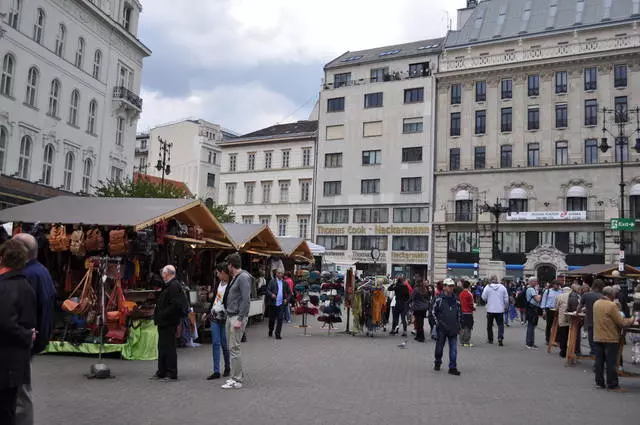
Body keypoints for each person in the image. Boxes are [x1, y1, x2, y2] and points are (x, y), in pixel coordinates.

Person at [12, 233, 55, 425]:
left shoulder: (27, 275)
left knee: (20, 391)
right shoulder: (41, 271)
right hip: (31, 338)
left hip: (23, 340)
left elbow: (24, 310)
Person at [0, 240, 37, 425]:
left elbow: (5, 323)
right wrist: (28, 335)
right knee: (8, 408)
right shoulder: (23, 286)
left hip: (6, 362)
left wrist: (26, 335)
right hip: (14, 362)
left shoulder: (8, 286)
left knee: (6, 410)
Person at [593, 286, 635, 390]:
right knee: (611, 362)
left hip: (598, 336)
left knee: (599, 361)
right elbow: (621, 322)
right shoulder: (611, 305)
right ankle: (612, 383)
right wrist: (632, 319)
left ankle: (599, 382)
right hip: (610, 337)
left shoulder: (596, 303)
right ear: (611, 295)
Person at [152, 265, 187, 381]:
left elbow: (176, 305)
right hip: (164, 321)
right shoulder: (169, 285)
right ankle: (162, 371)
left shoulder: (173, 286)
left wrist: (163, 314)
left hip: (168, 322)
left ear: (169, 274)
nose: (162, 275)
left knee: (169, 347)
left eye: (164, 273)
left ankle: (171, 372)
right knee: (162, 347)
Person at [221, 253, 251, 389]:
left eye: (227, 264)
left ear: (230, 265)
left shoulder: (243, 278)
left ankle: (237, 379)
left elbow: (246, 299)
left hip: (236, 317)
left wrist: (239, 319)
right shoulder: (237, 277)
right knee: (232, 348)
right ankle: (236, 376)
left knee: (234, 348)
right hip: (231, 316)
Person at [432, 279, 462, 376]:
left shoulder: (456, 300)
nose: (451, 288)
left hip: (453, 327)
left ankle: (452, 367)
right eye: (449, 286)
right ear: (444, 287)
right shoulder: (438, 299)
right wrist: (437, 323)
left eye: (452, 286)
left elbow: (459, 313)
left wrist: (459, 325)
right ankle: (437, 361)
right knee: (439, 347)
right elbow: (433, 312)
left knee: (453, 349)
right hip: (442, 327)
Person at [207, 263, 230, 380]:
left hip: (225, 318)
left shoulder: (231, 285)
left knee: (224, 344)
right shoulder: (218, 284)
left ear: (224, 273)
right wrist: (207, 312)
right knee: (216, 343)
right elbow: (214, 300)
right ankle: (216, 370)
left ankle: (227, 367)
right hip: (214, 316)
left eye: (218, 272)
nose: (217, 274)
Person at [579, 279, 605, 356]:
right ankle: (598, 352)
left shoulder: (586, 295)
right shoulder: (603, 296)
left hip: (589, 319)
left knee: (591, 337)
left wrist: (577, 313)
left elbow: (579, 306)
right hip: (600, 320)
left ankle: (593, 351)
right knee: (599, 338)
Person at [481, 275, 509, 346]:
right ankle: (500, 338)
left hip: (490, 309)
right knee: (500, 325)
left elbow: (483, 297)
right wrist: (505, 306)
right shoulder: (502, 287)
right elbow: (506, 299)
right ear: (497, 280)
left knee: (489, 325)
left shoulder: (487, 287)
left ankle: (490, 339)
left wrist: (488, 299)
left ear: (491, 280)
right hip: (500, 309)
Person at [266, 268, 291, 340]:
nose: (280, 274)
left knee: (280, 319)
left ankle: (278, 334)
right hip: (273, 304)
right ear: (276, 274)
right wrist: (271, 295)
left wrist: (287, 299)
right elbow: (267, 290)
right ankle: (270, 330)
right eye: (278, 273)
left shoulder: (285, 283)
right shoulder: (272, 281)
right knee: (272, 320)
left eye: (281, 273)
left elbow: (289, 292)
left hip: (281, 304)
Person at [541, 280, 563, 346]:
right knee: (549, 325)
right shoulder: (547, 291)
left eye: (558, 285)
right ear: (553, 284)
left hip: (558, 310)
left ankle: (557, 340)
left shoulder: (561, 292)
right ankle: (548, 339)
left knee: (558, 325)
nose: (557, 286)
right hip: (549, 310)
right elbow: (544, 300)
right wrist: (544, 310)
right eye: (556, 284)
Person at [554, 283, 573, 358]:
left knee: (563, 335)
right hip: (572, 318)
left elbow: (556, 307)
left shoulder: (560, 296)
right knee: (570, 335)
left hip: (562, 318)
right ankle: (571, 350)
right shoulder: (574, 295)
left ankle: (563, 351)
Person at [525, 277, 542, 349]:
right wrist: (540, 295)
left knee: (531, 326)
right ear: (531, 282)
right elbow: (537, 299)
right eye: (535, 281)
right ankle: (529, 343)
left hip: (531, 309)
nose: (536, 282)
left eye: (536, 281)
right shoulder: (531, 289)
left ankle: (531, 342)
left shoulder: (531, 289)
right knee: (531, 326)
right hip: (532, 309)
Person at [459, 280, 475, 347]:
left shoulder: (461, 293)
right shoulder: (469, 294)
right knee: (468, 327)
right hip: (468, 312)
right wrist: (473, 308)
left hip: (462, 312)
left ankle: (461, 341)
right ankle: (466, 341)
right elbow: (471, 304)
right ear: (469, 286)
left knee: (462, 327)